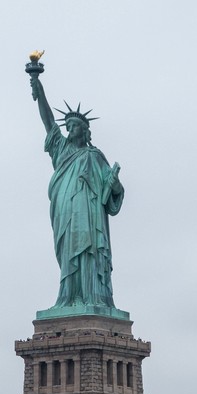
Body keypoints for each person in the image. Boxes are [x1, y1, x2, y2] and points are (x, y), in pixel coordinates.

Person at [30, 72, 124, 312]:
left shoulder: (95, 156)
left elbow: (113, 192)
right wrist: (38, 87)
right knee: (68, 253)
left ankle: (94, 298)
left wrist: (114, 184)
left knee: (90, 254)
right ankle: (69, 298)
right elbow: (48, 121)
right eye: (68, 127)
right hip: (66, 212)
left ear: (84, 131)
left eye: (74, 127)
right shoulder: (61, 150)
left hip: (90, 218)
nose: (69, 130)